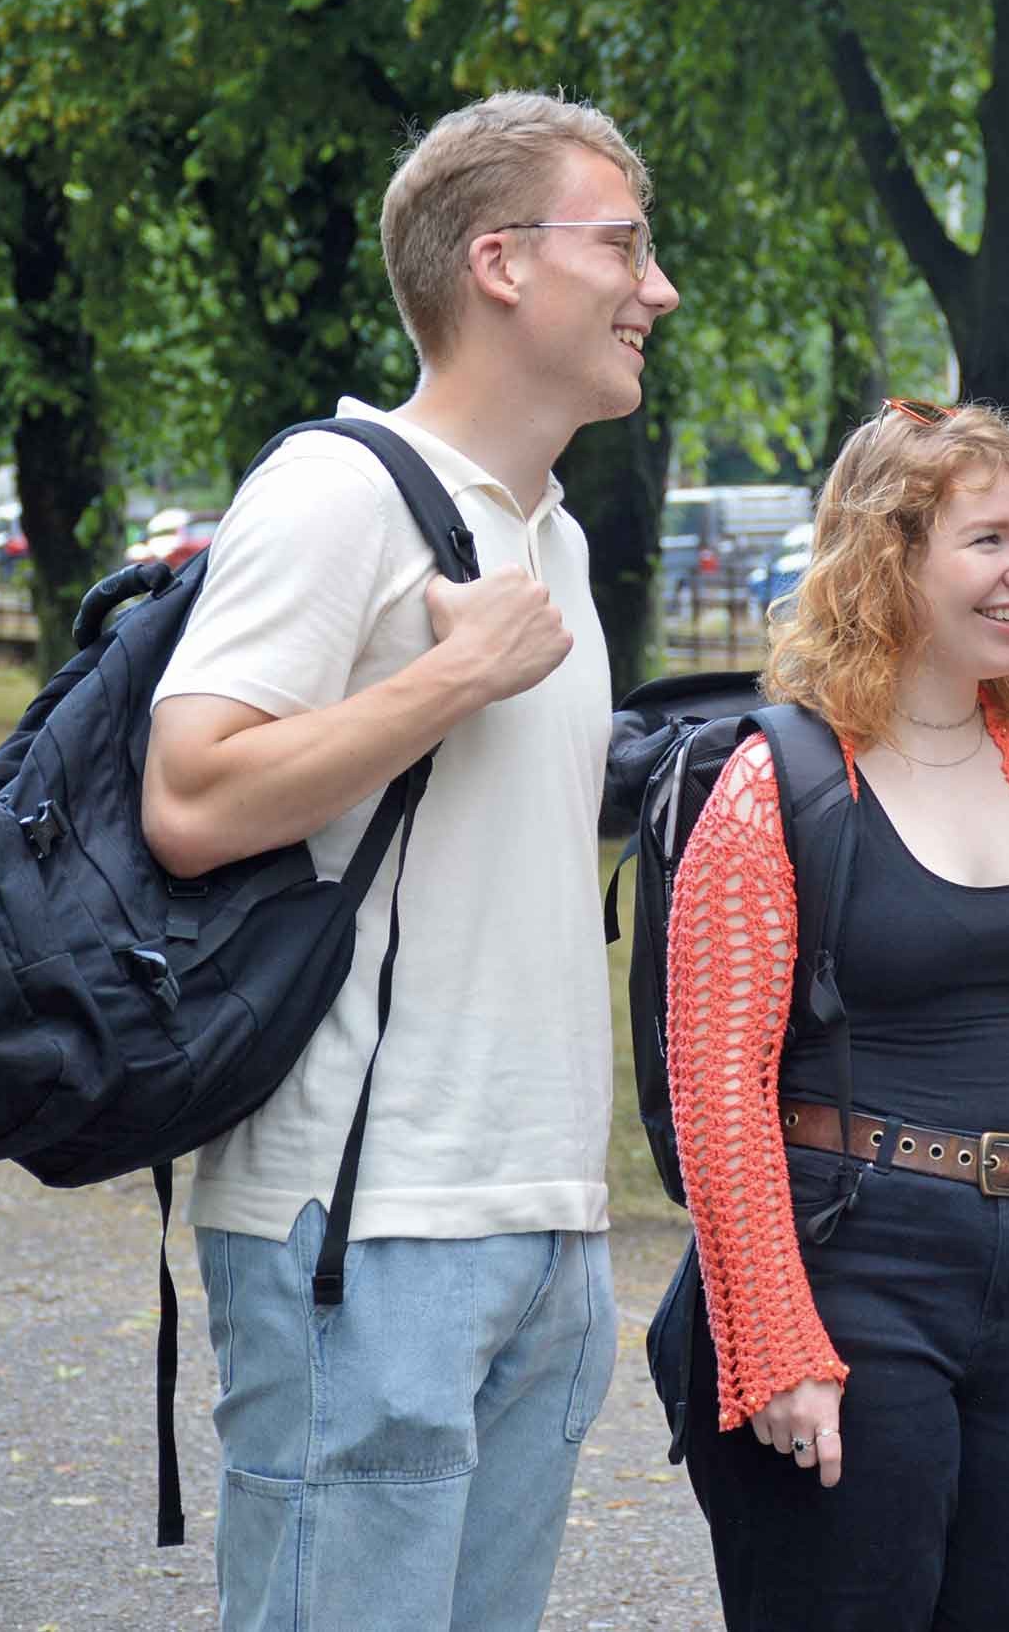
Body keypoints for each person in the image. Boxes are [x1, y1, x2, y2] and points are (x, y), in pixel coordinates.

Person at [140, 90, 678, 1629]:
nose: (658, 289)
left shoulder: (550, 532)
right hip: (362, 1230)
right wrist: (447, 679)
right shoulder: (336, 492)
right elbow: (192, 791)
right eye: (624, 245)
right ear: (500, 261)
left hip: (537, 1217)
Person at [664, 399, 1009, 1631]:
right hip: (854, 1268)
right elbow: (717, 1088)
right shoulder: (774, 780)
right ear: (891, 555)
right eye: (987, 540)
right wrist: (775, 1342)